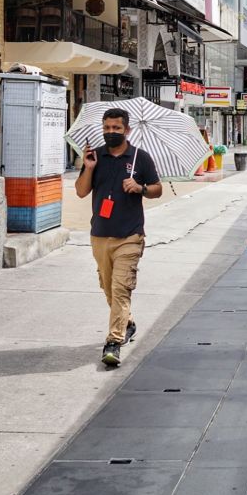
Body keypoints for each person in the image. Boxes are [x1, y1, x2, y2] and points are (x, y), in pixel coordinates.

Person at [75, 108, 162, 367]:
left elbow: (157, 189)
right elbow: (80, 191)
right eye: (107, 128)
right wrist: (88, 167)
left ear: (127, 130)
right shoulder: (95, 155)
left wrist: (140, 188)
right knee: (107, 286)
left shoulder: (140, 158)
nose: (111, 132)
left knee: (121, 288)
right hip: (100, 234)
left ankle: (113, 342)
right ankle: (128, 322)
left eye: (116, 128)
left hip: (130, 235)